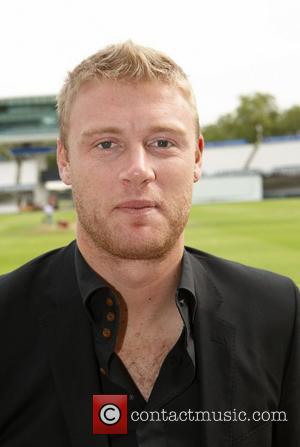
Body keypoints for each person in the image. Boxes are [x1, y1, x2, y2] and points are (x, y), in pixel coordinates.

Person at [0, 41, 299, 447]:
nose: (138, 170)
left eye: (162, 142)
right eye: (107, 144)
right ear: (64, 161)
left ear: (196, 157)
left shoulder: (278, 313)